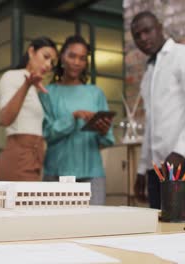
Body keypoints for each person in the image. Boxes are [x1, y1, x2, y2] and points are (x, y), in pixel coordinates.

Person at [130, 11, 185, 218]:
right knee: (160, 232)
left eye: (147, 30)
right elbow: (151, 123)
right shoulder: (149, 73)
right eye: (137, 35)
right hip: (157, 167)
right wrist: (142, 169)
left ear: (159, 27)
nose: (143, 38)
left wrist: (179, 151)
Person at [40, 35, 115, 205]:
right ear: (61, 58)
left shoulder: (96, 93)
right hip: (56, 172)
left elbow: (108, 138)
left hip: (92, 173)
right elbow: (47, 133)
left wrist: (103, 130)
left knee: (93, 227)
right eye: (72, 56)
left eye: (82, 58)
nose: (76, 62)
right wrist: (73, 117)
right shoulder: (48, 93)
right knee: (56, 229)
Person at [0, 37, 58, 181]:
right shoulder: (12, 77)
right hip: (19, 158)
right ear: (31, 51)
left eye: (52, 62)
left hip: (35, 159)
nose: (48, 65)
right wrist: (26, 85)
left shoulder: (37, 87)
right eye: (45, 57)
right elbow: (5, 118)